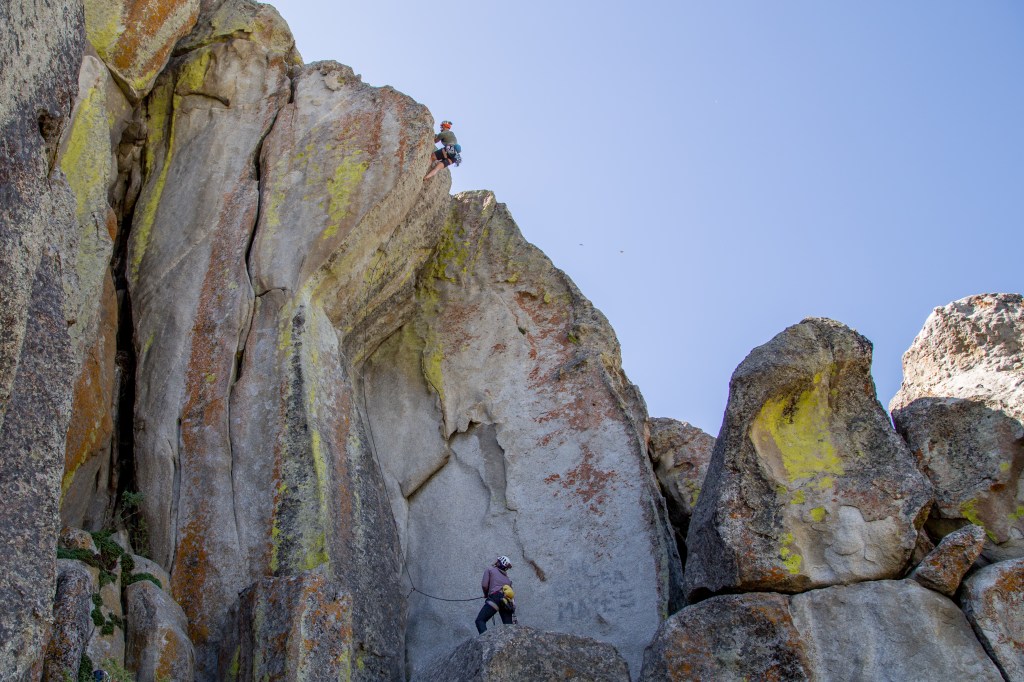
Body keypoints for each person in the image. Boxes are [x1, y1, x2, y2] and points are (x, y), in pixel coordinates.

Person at [475, 555, 516, 633]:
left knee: (480, 620)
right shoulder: (508, 579)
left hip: (495, 598)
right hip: (506, 601)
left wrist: (486, 594)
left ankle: (485, 640)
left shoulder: (490, 570)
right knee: (509, 627)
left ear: (499, 562)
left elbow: (484, 585)